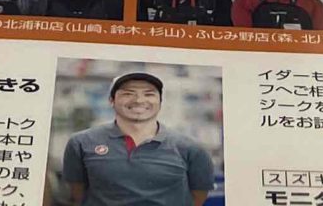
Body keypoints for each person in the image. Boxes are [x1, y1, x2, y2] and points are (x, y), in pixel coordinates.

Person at [59, 70, 214, 206]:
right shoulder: (81, 143)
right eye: (128, 93)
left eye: (149, 94)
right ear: (111, 101)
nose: (139, 100)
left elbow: (198, 197)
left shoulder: (191, 149)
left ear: (160, 102)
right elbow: (78, 194)